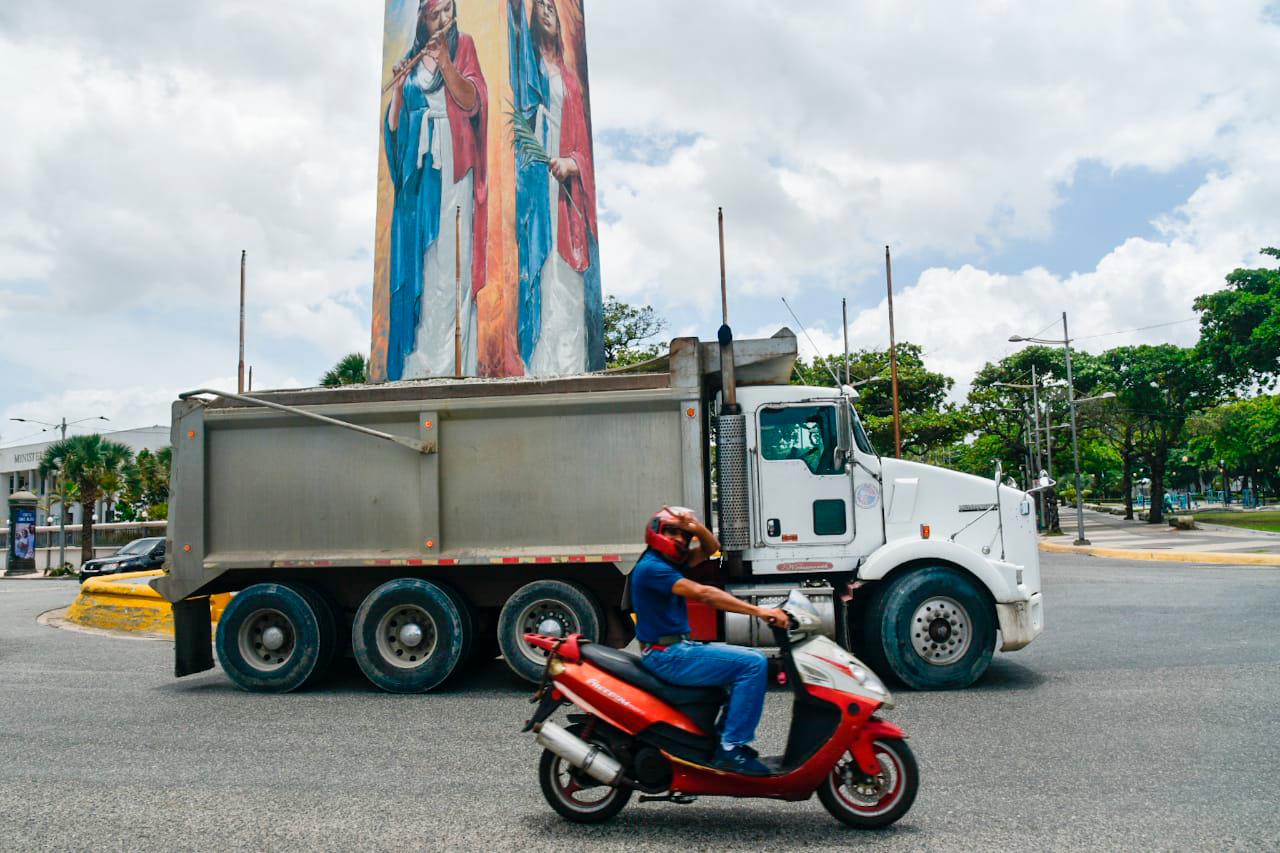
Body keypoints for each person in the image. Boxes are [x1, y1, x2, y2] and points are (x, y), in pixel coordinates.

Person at [629, 506, 789, 774]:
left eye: (683, 535)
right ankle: (730, 747)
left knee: (738, 664)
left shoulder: (667, 563)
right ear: (656, 531)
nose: (680, 539)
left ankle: (722, 739)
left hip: (676, 648)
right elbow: (704, 594)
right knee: (753, 664)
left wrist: (696, 529)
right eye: (672, 532)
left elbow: (712, 548)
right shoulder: (653, 568)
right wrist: (759, 610)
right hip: (668, 655)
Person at [384, 0, 489, 380]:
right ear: (422, 20)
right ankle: (419, 366)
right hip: (419, 174)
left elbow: (473, 102)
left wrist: (446, 61)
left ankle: (454, 364)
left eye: (448, 10)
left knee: (451, 262)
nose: (443, 19)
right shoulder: (410, 59)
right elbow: (394, 131)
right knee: (423, 269)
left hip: (454, 167)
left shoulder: (464, 48)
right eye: (435, 13)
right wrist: (397, 91)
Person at [508, 0, 603, 375]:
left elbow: (581, 144)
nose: (547, 10)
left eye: (552, 6)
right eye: (540, 6)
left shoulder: (570, 81)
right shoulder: (527, 67)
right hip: (535, 188)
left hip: (563, 196)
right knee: (539, 273)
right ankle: (537, 368)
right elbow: (514, 27)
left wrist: (572, 163)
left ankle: (568, 369)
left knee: (566, 281)